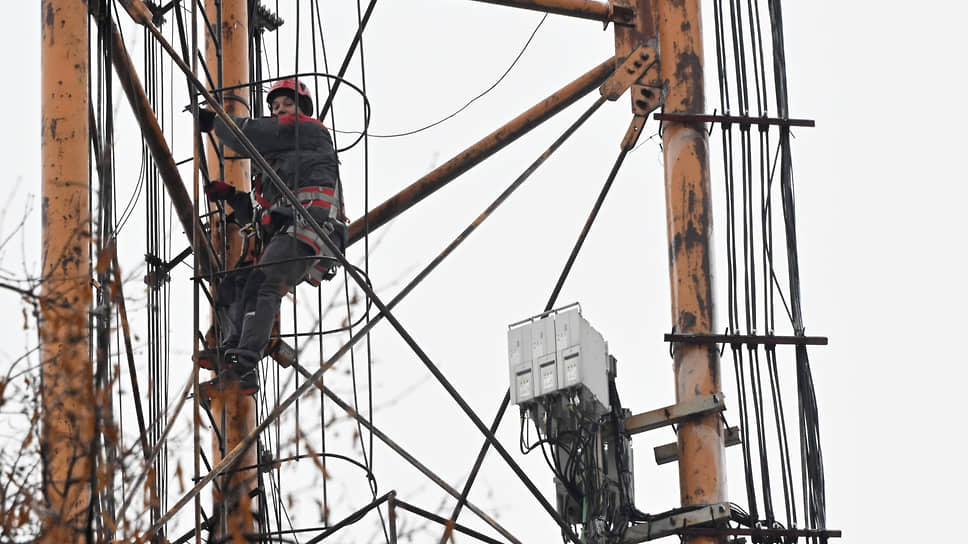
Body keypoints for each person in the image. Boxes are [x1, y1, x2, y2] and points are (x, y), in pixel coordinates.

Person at [195, 78, 346, 395]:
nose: (279, 111)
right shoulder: (276, 167)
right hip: (290, 228)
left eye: (286, 105)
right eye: (274, 107)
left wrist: (216, 122)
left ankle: (245, 365)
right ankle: (233, 351)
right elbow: (258, 209)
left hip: (311, 225)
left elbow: (251, 133)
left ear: (300, 109)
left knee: (264, 284)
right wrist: (231, 196)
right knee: (239, 286)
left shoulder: (309, 131)